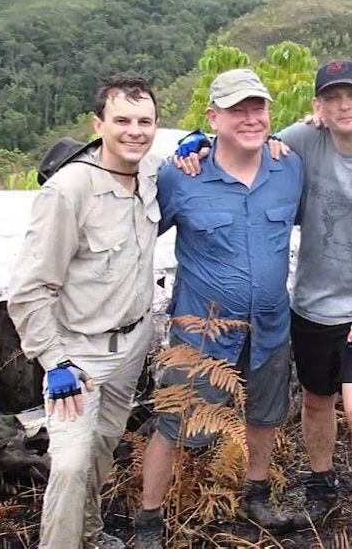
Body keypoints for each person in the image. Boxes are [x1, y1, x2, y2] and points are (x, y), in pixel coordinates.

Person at [175, 61, 352, 538]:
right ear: (317, 105)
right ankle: (322, 485)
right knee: (316, 402)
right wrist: (194, 141)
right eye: (332, 97)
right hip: (311, 307)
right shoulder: (300, 140)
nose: (343, 106)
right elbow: (242, 136)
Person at [132, 69, 304, 548]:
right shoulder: (181, 175)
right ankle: (148, 521)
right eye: (236, 110)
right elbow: (136, 232)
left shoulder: (288, 166)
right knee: (175, 424)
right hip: (200, 334)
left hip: (271, 324)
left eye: (258, 108)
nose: (250, 119)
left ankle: (257, 495)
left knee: (265, 416)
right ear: (213, 118)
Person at [7, 76, 163, 549]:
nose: (134, 131)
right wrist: (54, 361)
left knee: (100, 450)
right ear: (99, 125)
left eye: (145, 121)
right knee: (71, 465)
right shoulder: (69, 190)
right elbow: (30, 288)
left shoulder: (150, 174)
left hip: (133, 344)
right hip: (79, 356)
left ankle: (91, 533)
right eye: (121, 121)